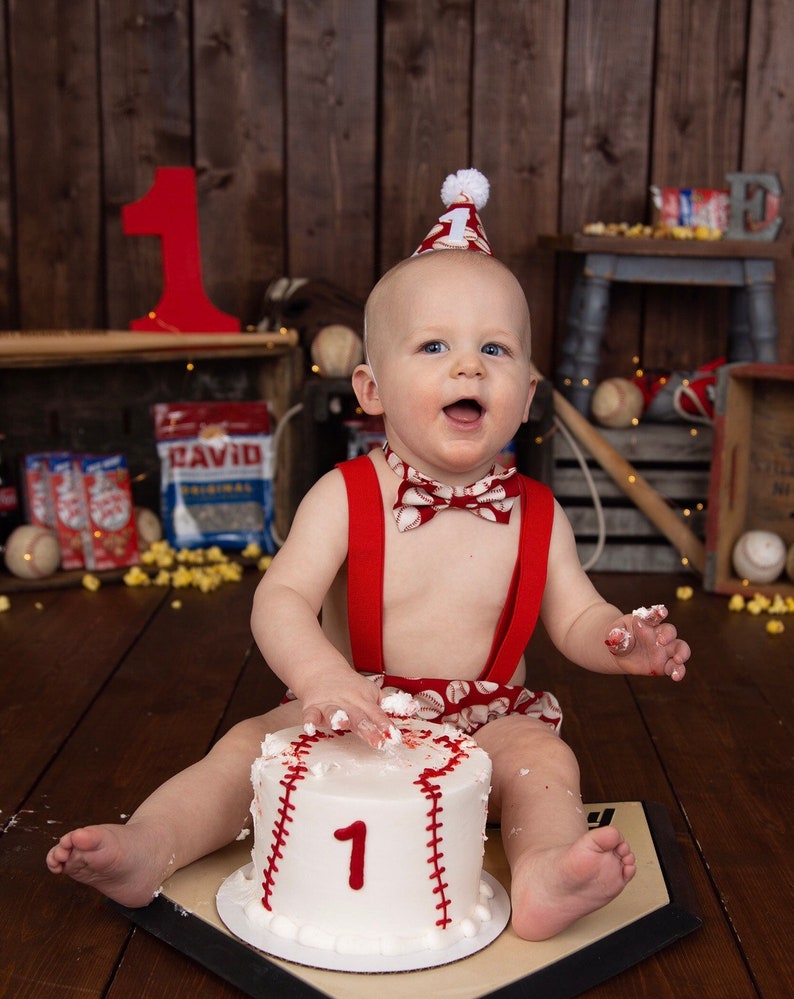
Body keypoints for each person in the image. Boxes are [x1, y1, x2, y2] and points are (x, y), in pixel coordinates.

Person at [46, 172, 691, 941]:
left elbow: (574, 614)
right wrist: (321, 677)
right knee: (244, 751)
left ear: (524, 396)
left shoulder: (539, 513)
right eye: (434, 346)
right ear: (371, 388)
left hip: (484, 727)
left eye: (495, 348)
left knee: (544, 765)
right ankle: (149, 844)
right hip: (355, 709)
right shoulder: (345, 495)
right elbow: (278, 598)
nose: (468, 367)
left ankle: (546, 872)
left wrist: (619, 638)